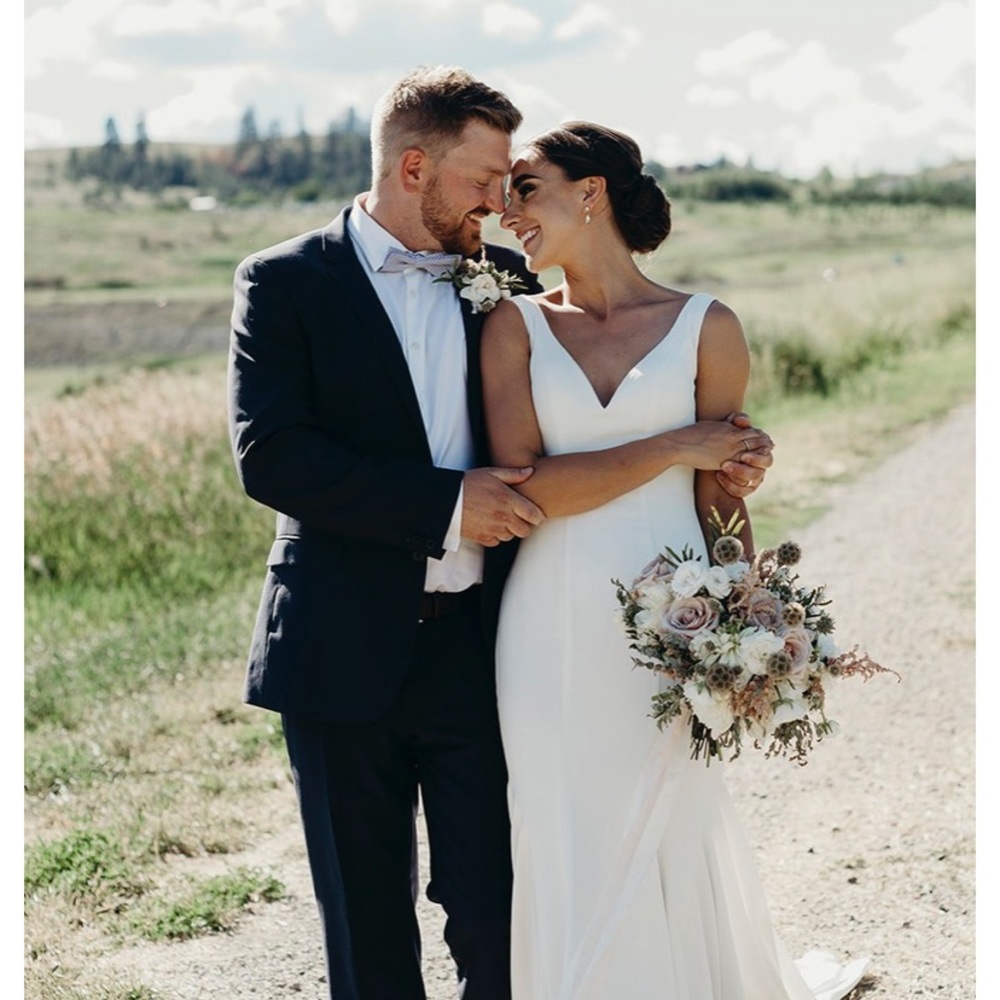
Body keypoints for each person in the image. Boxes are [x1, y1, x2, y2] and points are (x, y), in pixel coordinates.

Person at [228, 67, 771, 1000]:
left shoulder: (508, 286)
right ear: (413, 168)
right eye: (484, 180)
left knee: (496, 911)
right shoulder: (284, 281)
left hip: (482, 641)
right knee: (365, 921)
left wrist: (725, 488)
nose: (498, 203)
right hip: (338, 638)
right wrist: (448, 506)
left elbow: (592, 422)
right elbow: (273, 459)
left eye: (512, 182)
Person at [482, 122, 869, 999]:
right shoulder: (514, 327)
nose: (508, 214)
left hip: (675, 619)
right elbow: (529, 490)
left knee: (670, 810)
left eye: (526, 189)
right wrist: (673, 444)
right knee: (557, 812)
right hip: (549, 618)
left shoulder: (706, 326)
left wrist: (749, 624)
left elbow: (720, 496)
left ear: (591, 192)